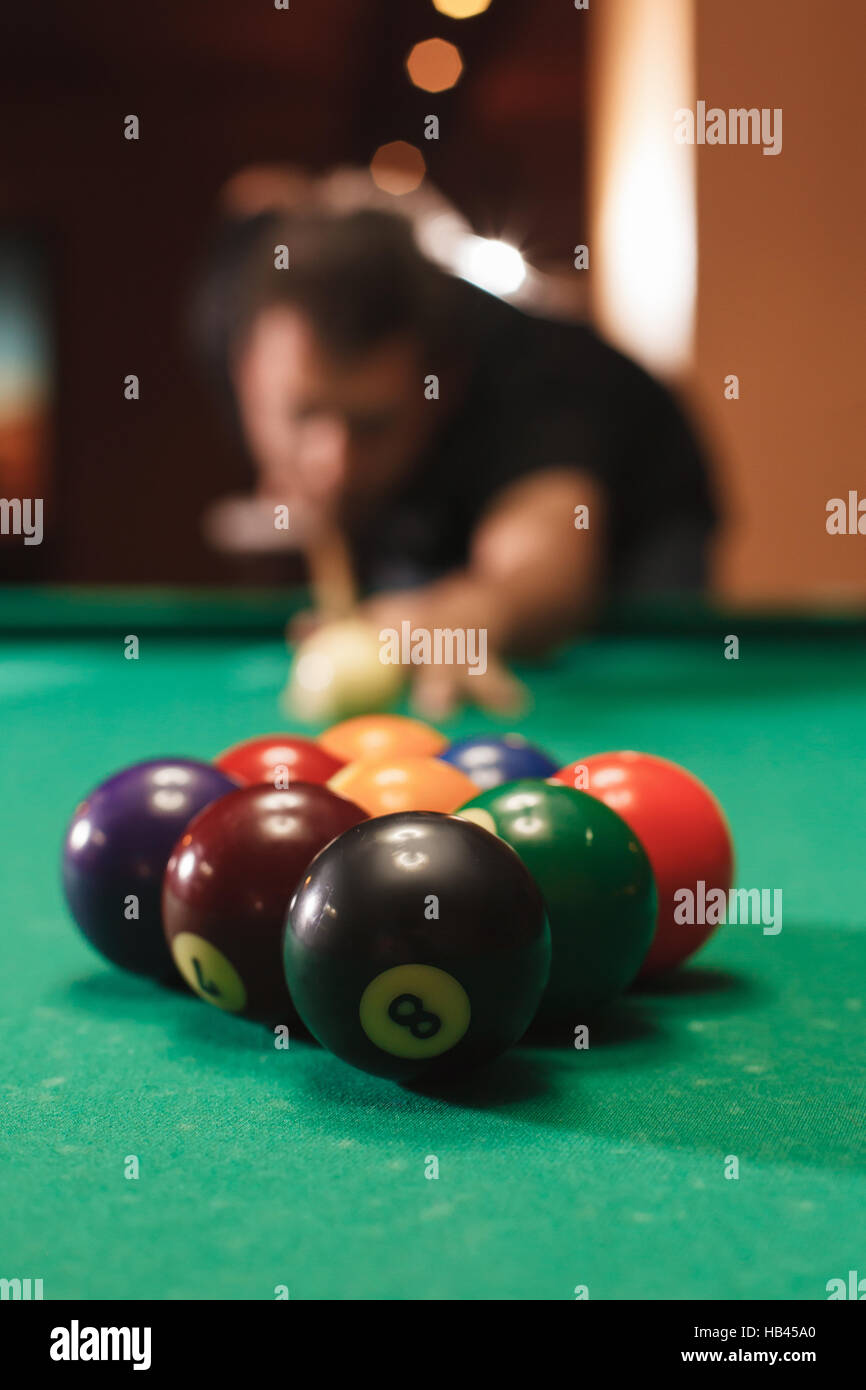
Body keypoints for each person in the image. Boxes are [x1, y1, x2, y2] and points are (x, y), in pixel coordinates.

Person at [194, 183, 718, 716]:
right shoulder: (230, 320)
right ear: (245, 373)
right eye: (304, 414)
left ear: (438, 385)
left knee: (627, 658)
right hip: (434, 496)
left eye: (372, 426)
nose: (334, 463)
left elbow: (545, 551)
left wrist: (474, 613)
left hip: (643, 518)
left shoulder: (535, 379)